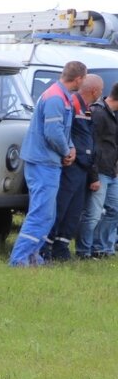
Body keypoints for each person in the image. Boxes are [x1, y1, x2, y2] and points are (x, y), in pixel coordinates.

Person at [9, 61, 86, 267]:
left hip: (48, 162)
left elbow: (63, 129)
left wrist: (70, 147)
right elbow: (53, 132)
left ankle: (34, 257)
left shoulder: (61, 96)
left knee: (47, 214)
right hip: (43, 162)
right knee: (40, 213)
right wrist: (66, 150)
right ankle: (19, 260)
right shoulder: (55, 98)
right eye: (84, 79)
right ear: (78, 79)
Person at [43, 74, 102, 260]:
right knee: (61, 208)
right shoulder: (72, 104)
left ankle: (61, 248)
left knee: (74, 212)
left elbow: (88, 137)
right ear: (94, 91)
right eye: (101, 90)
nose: (101, 94)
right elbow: (67, 133)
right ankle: (45, 247)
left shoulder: (88, 109)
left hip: (83, 169)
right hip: (71, 166)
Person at [78, 82, 118, 258]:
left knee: (114, 210)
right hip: (99, 171)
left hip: (112, 171)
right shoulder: (98, 112)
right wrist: (93, 176)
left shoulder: (114, 114)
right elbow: (90, 146)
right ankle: (84, 250)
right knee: (93, 214)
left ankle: (102, 247)